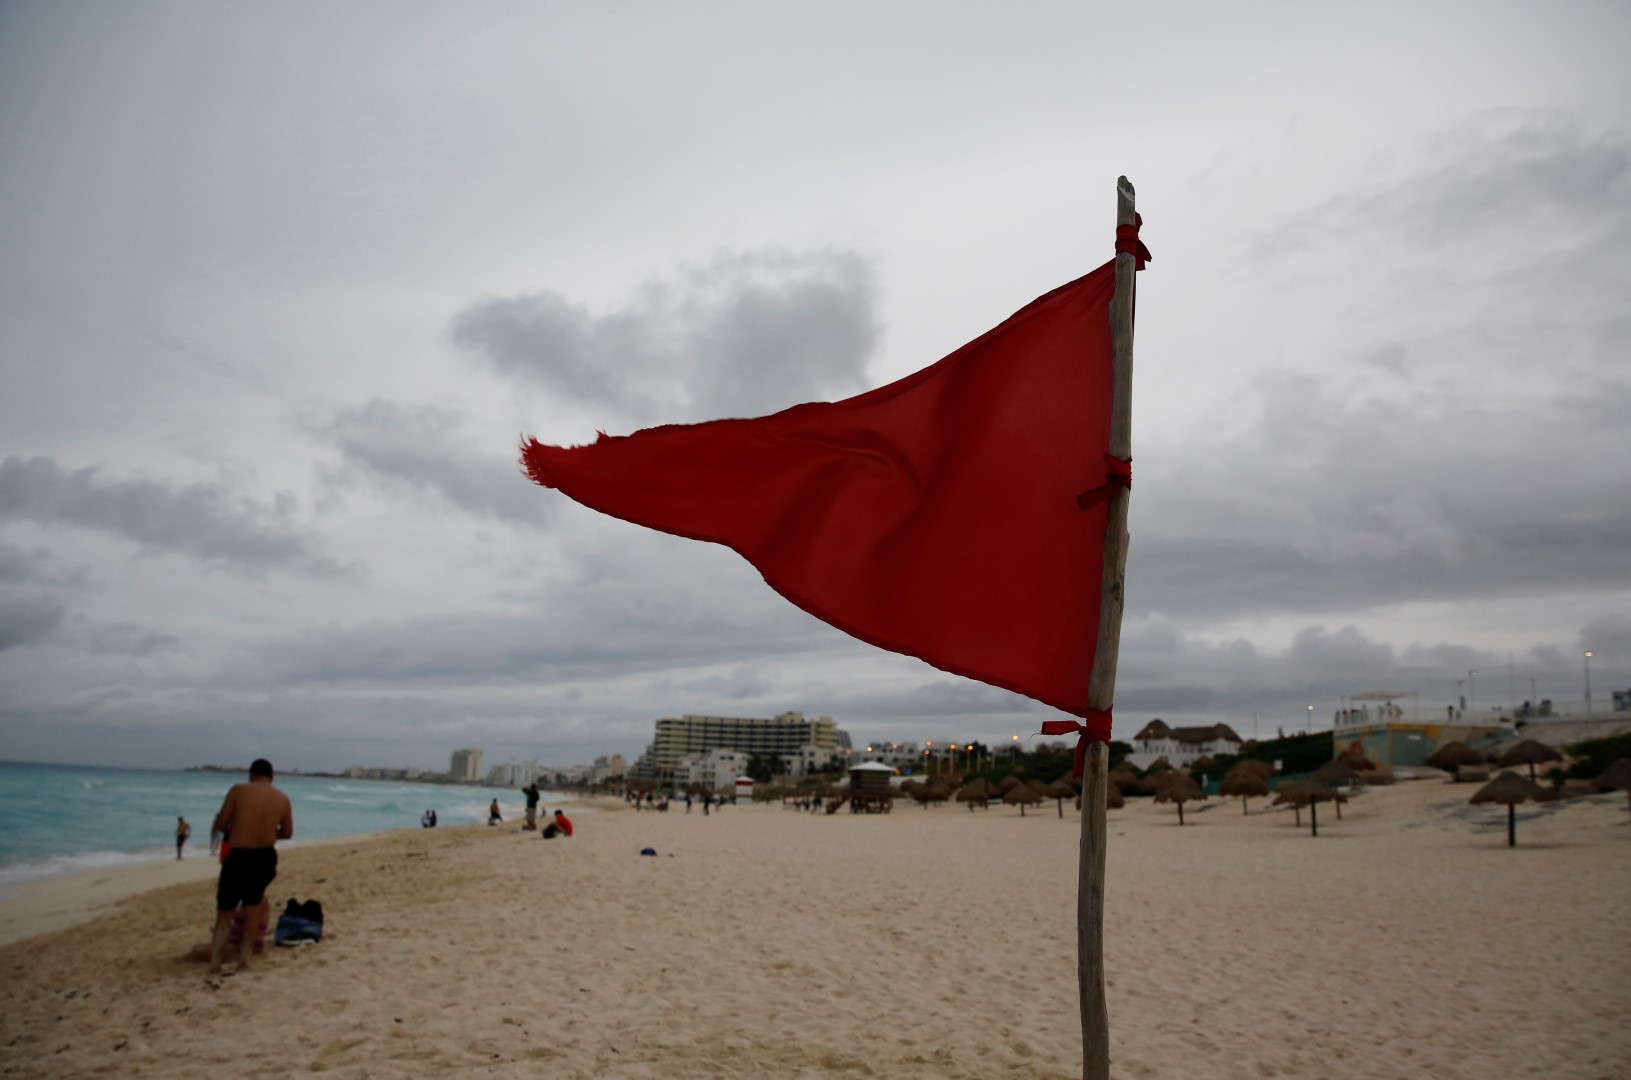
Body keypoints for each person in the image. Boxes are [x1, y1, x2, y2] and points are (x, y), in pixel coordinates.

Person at [209, 758, 292, 974]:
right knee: (253, 908)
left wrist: (239, 828)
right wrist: (266, 831)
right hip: (265, 857)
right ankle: (244, 961)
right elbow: (287, 833)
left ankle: (215, 962)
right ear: (272, 777)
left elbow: (220, 823)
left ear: (251, 774)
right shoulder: (282, 798)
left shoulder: (238, 791)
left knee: (225, 911)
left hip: (239, 856)